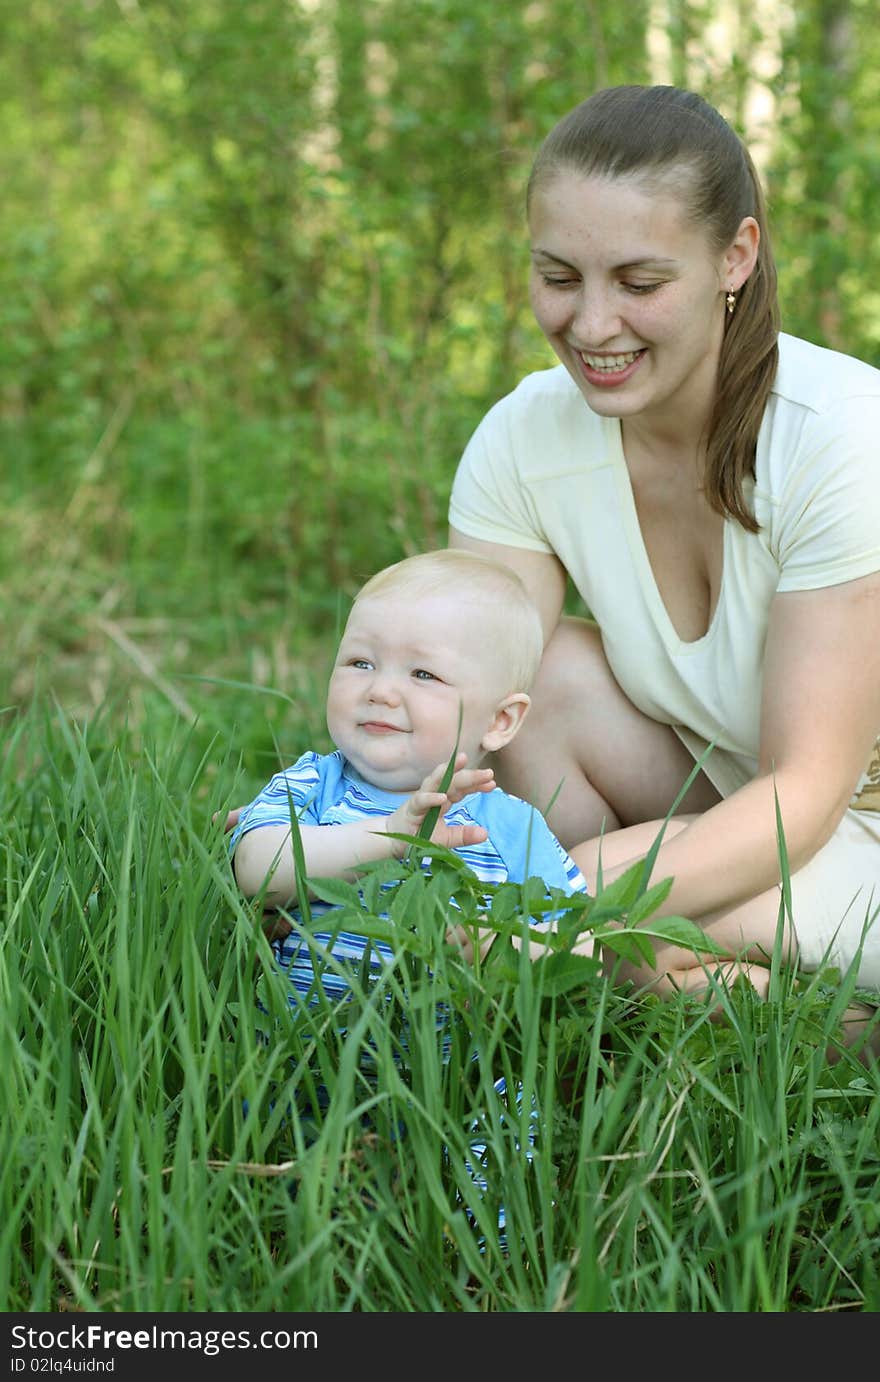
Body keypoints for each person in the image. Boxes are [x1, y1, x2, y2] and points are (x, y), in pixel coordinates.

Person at [447, 82, 880, 1050]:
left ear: (736, 256)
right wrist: (341, 817)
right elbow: (453, 691)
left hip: (849, 820)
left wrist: (567, 889)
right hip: (741, 797)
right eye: (559, 276)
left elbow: (808, 790)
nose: (592, 324)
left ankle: (833, 1027)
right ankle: (618, 962)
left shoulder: (844, 437)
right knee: (536, 672)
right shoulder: (522, 438)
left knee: (611, 923)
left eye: (638, 283)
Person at [229, 546, 591, 1012]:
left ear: (500, 721)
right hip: (294, 1068)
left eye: (423, 673)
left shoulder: (508, 828)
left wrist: (503, 946)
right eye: (361, 663)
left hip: (456, 1080)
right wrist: (392, 836)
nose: (380, 690)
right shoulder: (313, 784)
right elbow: (255, 869)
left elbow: (583, 944)